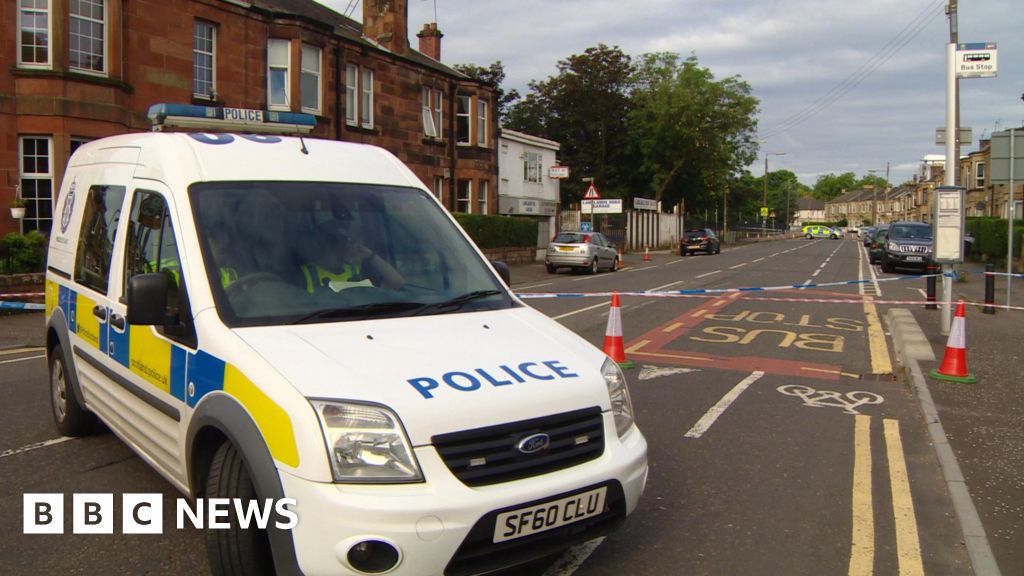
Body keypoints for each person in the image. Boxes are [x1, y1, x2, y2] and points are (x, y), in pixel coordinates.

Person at [300, 223, 403, 293]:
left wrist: (370, 255)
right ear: (325, 244)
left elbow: (398, 284)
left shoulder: (355, 270)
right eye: (344, 241)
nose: (350, 244)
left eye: (349, 241)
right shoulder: (307, 273)